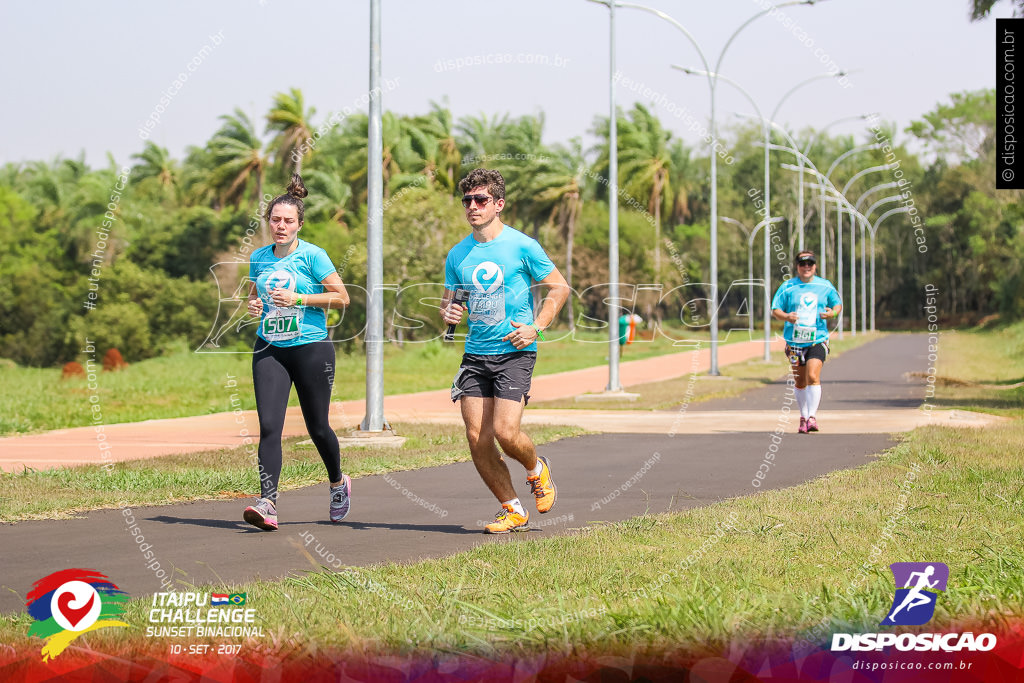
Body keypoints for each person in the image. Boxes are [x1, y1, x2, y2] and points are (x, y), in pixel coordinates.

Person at [440, 168, 570, 533]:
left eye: (480, 200)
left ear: (498, 204)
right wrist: (449, 311)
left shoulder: (522, 245)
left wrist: (536, 327)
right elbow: (451, 301)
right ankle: (512, 508)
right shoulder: (458, 254)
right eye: (467, 200)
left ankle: (536, 469)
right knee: (476, 438)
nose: (472, 207)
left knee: (505, 432)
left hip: (515, 350)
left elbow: (559, 288)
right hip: (475, 354)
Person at [243, 174, 351, 530]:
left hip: (311, 348)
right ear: (268, 222)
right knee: (269, 425)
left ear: (299, 224)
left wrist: (300, 298)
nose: (281, 226)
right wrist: (255, 306)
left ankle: (338, 482)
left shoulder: (313, 256)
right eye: (275, 220)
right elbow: (253, 296)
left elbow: (342, 297)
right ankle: (268, 503)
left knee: (317, 426)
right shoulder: (259, 258)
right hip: (270, 347)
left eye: (288, 221)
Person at [770, 250, 842, 434]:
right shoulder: (788, 287)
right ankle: (803, 416)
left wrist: (832, 313)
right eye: (803, 264)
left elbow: (837, 304)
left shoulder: (824, 286)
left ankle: (812, 417)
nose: (806, 267)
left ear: (815, 266)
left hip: (817, 339)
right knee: (800, 381)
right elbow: (775, 309)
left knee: (812, 375)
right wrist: (787, 316)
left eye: (810, 263)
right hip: (794, 342)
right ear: (797, 267)